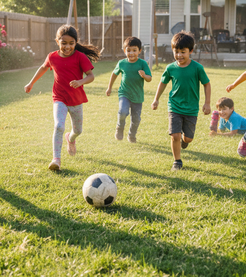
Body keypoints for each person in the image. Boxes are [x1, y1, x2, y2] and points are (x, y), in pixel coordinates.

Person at [24, 25, 99, 171]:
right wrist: (31, 83)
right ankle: (56, 160)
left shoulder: (80, 57)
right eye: (64, 43)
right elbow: (43, 67)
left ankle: (70, 139)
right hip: (59, 98)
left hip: (76, 100)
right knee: (59, 126)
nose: (68, 46)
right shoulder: (52, 56)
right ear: (57, 41)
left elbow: (91, 76)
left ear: (76, 43)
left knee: (78, 131)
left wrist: (80, 82)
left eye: (71, 43)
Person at [152, 31, 211, 170]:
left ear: (190, 51)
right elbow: (163, 83)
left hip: (191, 108)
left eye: (182, 52)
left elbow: (206, 84)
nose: (179, 55)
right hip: (175, 106)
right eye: (176, 52)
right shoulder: (170, 68)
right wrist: (156, 99)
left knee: (188, 138)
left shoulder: (197, 68)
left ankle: (185, 142)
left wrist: (207, 102)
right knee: (175, 135)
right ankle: (177, 161)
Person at [106, 37, 152, 143]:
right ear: (124, 50)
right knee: (122, 112)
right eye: (128, 50)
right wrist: (109, 87)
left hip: (137, 96)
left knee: (136, 119)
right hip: (124, 93)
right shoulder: (122, 63)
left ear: (139, 51)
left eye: (134, 50)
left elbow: (149, 79)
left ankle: (131, 135)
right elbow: (114, 74)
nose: (131, 53)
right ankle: (119, 127)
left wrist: (144, 75)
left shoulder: (142, 64)